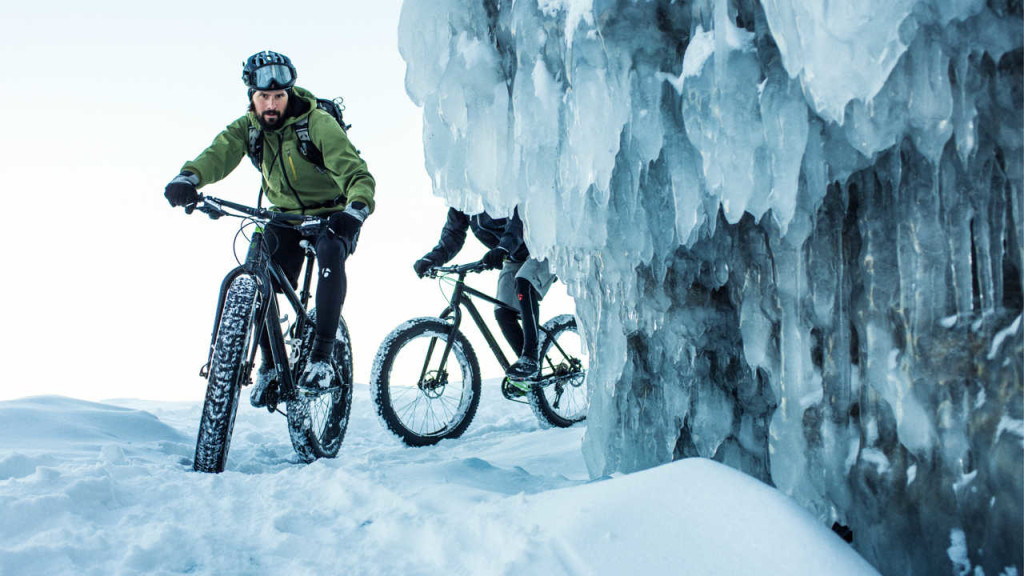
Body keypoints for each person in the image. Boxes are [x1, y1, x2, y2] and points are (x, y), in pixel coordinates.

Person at [164, 50, 375, 407]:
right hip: (284, 216)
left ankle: (323, 356)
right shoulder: (247, 128)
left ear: (289, 93)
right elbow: (219, 153)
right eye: (264, 98)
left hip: (332, 215)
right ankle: (269, 366)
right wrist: (189, 178)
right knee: (259, 264)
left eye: (278, 96)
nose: (271, 105)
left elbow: (356, 173)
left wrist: (355, 209)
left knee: (329, 252)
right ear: (252, 96)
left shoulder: (318, 124)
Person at [413, 207, 555, 384]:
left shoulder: (496, 187)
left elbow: (519, 220)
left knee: (524, 283)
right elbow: (453, 236)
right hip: (514, 256)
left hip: (542, 248)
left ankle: (530, 358)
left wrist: (503, 247)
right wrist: (431, 259)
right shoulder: (464, 201)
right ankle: (531, 376)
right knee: (503, 312)